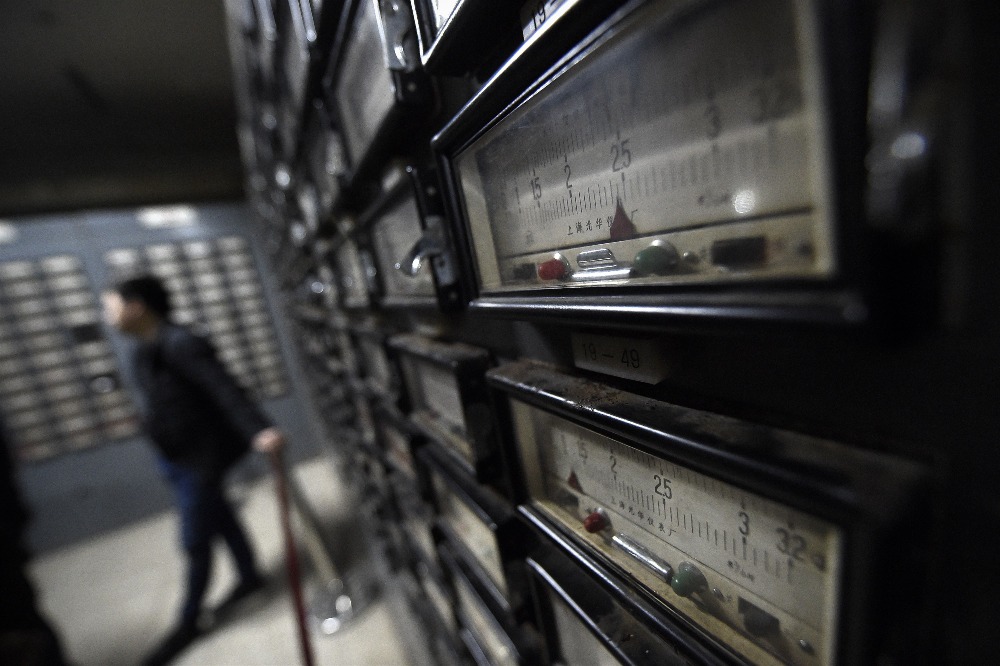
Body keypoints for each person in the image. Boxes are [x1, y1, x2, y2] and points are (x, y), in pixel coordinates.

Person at [102, 275, 285, 665]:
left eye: (112, 305)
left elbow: (224, 388)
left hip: (199, 460)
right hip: (175, 456)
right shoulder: (142, 351)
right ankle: (249, 577)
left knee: (195, 540)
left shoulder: (180, 343)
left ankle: (187, 622)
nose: (107, 315)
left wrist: (259, 430)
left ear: (137, 307)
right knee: (221, 519)